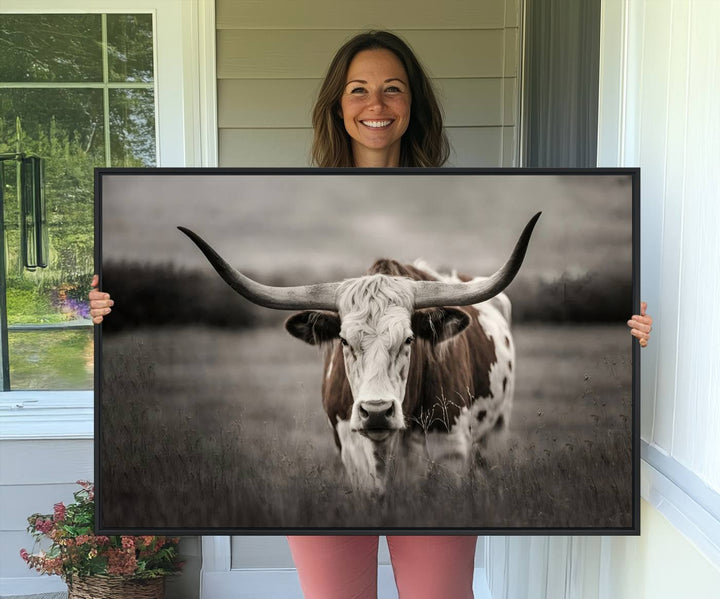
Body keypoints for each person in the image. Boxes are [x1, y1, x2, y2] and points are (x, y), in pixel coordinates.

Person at [89, 30, 652, 599]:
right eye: (358, 90)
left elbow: (489, 286)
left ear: (413, 106)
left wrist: (629, 335)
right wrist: (109, 309)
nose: (375, 105)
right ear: (338, 104)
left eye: (393, 90)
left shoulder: (462, 195)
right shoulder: (293, 197)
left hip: (442, 412)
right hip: (358, 392)